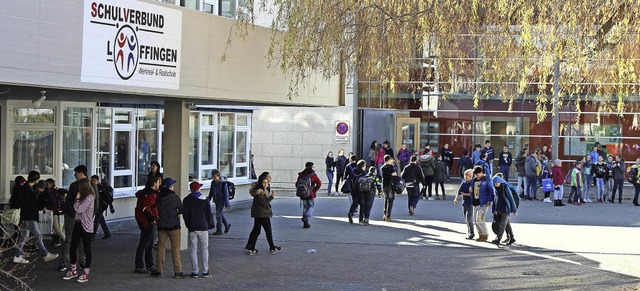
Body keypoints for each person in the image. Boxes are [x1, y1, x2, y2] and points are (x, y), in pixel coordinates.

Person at [14, 171, 59, 264]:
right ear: (35, 179)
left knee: (23, 237)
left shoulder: (27, 188)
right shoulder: (28, 189)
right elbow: (29, 204)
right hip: (29, 216)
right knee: (37, 235)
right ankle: (45, 254)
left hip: (26, 216)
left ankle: (17, 255)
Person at [60, 165, 97, 272]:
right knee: (82, 241)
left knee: (69, 239)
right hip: (86, 219)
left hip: (73, 216)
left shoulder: (74, 185)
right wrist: (92, 216)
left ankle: (65, 261)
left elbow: (69, 202)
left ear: (81, 173)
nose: (74, 175)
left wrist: (67, 211)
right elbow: (96, 203)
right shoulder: (92, 185)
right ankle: (82, 261)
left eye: (76, 173)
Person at [150, 178, 186, 278]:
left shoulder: (158, 197)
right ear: (171, 186)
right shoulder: (174, 197)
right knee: (175, 249)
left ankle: (159, 270)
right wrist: (176, 212)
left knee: (161, 248)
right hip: (174, 226)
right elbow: (182, 209)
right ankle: (178, 271)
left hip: (161, 226)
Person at [62, 179, 95, 283]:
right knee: (73, 246)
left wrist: (76, 201)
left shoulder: (89, 197)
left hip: (86, 226)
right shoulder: (83, 197)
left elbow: (79, 209)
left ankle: (85, 273)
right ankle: (73, 270)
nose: (78, 189)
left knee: (86, 249)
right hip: (77, 223)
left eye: (80, 187)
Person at [183, 181, 215, 278]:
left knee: (193, 249)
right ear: (198, 189)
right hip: (203, 227)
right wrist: (208, 224)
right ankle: (205, 271)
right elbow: (209, 214)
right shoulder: (205, 199)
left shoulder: (186, 200)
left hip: (192, 227)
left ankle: (195, 271)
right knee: (204, 249)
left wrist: (188, 225)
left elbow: (185, 215)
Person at [245, 176, 282, 255]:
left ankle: (251, 248)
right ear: (260, 183)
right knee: (268, 231)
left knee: (256, 231)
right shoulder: (260, 192)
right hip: (263, 214)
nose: (266, 184)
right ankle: (272, 248)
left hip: (258, 214)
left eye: (267, 182)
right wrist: (272, 196)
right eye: (264, 182)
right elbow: (264, 203)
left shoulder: (260, 190)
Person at [134, 176, 161, 274]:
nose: (159, 184)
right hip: (148, 222)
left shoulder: (144, 193)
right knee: (145, 244)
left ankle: (149, 265)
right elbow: (146, 209)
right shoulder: (151, 195)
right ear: (154, 184)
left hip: (143, 221)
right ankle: (141, 266)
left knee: (148, 244)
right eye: (158, 182)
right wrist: (153, 219)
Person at [491, 174, 517, 246]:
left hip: (506, 208)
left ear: (500, 181)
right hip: (500, 208)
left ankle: (498, 239)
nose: (496, 185)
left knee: (503, 225)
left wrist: (514, 210)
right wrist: (496, 210)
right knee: (507, 224)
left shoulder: (505, 187)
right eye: (494, 184)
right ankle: (512, 237)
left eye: (496, 183)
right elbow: (497, 200)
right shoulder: (497, 189)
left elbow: (511, 199)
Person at [471, 166, 494, 242]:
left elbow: (491, 190)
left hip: (483, 202)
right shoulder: (474, 179)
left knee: (480, 219)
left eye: (477, 174)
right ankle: (480, 235)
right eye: (475, 174)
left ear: (481, 173)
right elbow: (472, 188)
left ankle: (485, 234)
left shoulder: (487, 179)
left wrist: (489, 200)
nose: (476, 176)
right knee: (475, 220)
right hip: (475, 202)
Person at [297, 162, 322, 228]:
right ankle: (306, 217)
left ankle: (305, 223)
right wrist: (314, 190)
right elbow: (319, 183)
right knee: (311, 206)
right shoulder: (313, 175)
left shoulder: (301, 174)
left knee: (305, 207)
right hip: (311, 194)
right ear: (311, 167)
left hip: (303, 194)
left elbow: (296, 184)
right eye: (313, 166)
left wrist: (302, 190)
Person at [90, 175, 114, 240]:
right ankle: (107, 233)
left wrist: (111, 206)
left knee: (96, 220)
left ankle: (92, 235)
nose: (93, 182)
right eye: (91, 180)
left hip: (102, 206)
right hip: (97, 205)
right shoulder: (92, 188)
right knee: (101, 219)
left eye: (94, 180)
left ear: (98, 181)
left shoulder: (101, 188)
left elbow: (107, 197)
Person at [209, 169, 232, 235]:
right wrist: (208, 200)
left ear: (218, 176)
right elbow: (211, 192)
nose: (213, 178)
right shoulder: (213, 182)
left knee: (218, 215)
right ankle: (227, 225)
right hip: (216, 200)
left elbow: (226, 195)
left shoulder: (223, 183)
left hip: (221, 201)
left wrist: (227, 205)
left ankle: (219, 230)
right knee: (220, 214)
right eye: (212, 176)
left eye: (214, 177)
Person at [454, 169, 474, 239]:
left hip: (471, 203)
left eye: (467, 176)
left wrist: (464, 194)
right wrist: (456, 199)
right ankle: (469, 231)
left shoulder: (472, 183)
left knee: (469, 218)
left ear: (470, 176)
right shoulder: (463, 183)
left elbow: (473, 194)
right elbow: (459, 192)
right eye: (465, 175)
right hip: (464, 203)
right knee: (466, 219)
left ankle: (472, 232)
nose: (465, 177)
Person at [46, 178, 67, 246]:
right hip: (58, 212)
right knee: (56, 228)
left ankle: (66, 241)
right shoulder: (57, 191)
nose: (46, 185)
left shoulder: (52, 192)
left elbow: (53, 203)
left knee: (57, 228)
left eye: (47, 184)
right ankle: (59, 241)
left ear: (51, 184)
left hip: (54, 212)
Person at [381, 155, 397, 221]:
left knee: (386, 199)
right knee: (390, 200)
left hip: (384, 185)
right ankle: (388, 215)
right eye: (391, 159)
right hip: (390, 186)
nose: (392, 160)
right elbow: (395, 174)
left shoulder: (383, 167)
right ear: (388, 160)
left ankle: (384, 214)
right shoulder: (391, 167)